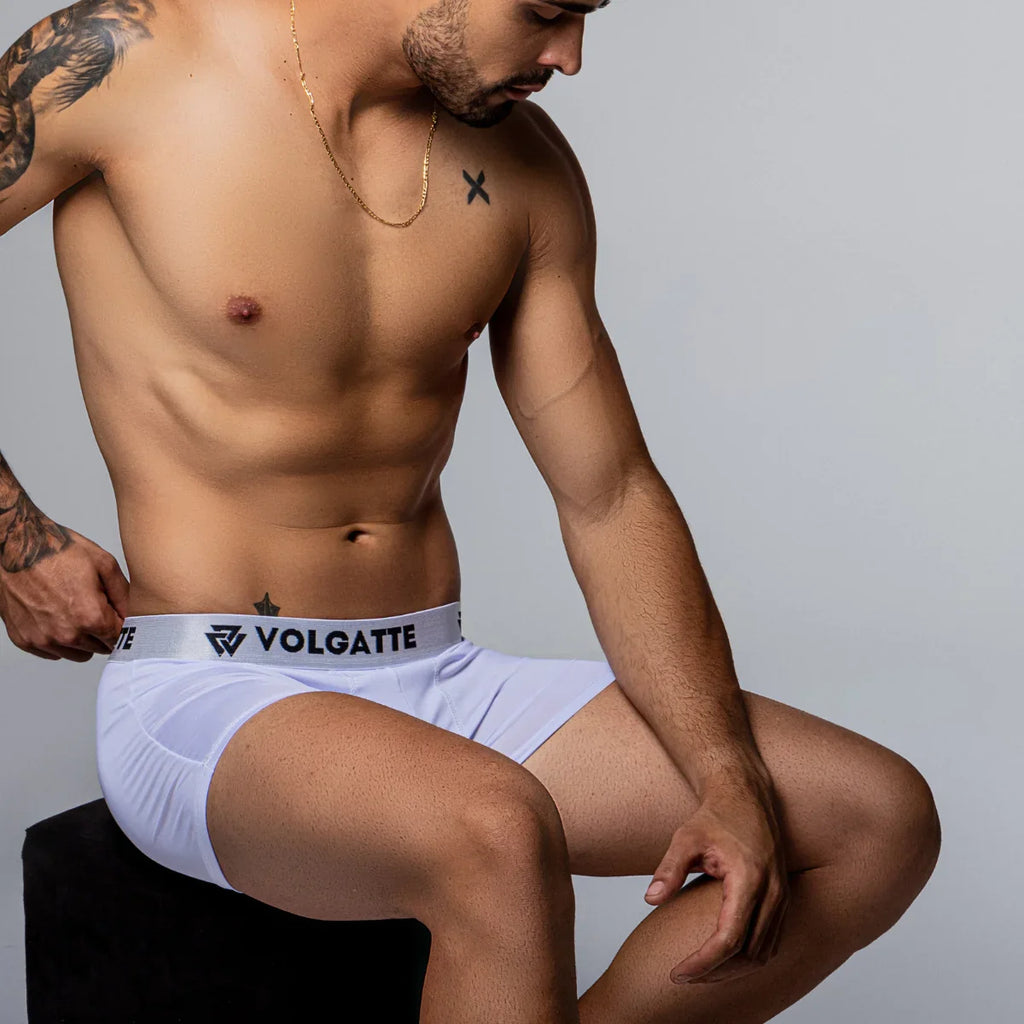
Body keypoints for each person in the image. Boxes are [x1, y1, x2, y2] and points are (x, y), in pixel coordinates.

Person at [0, 2, 941, 1021]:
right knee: (496, 829)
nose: (568, 57)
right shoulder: (123, 60)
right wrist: (13, 543)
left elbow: (609, 493)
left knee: (873, 818)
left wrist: (724, 773)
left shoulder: (525, 167)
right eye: (546, 11)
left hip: (440, 675)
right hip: (214, 689)